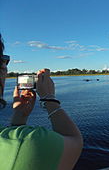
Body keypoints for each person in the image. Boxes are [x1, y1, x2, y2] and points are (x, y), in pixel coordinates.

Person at [0, 34, 83, 170]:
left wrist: (19, 117)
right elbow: (75, 141)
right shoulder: (28, 142)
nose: (5, 66)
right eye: (3, 60)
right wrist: (49, 99)